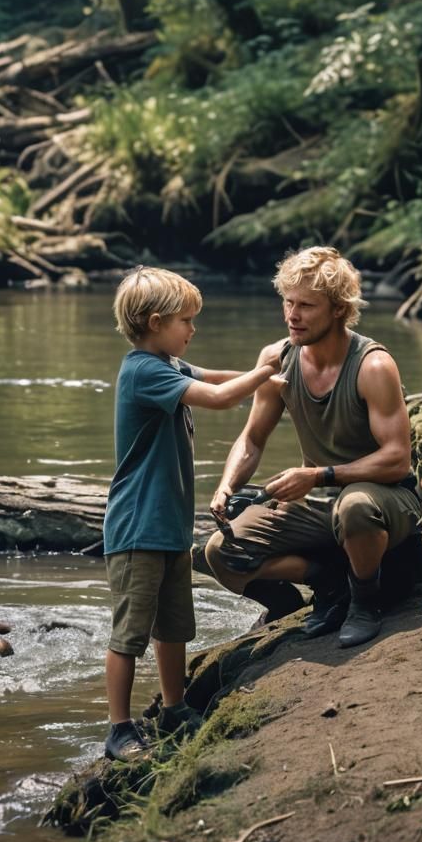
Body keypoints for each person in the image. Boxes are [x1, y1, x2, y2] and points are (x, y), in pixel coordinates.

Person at [204, 246, 422, 649]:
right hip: (319, 503)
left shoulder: (373, 366)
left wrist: (319, 475)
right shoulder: (277, 358)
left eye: (306, 306)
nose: (292, 315)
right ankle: (327, 585)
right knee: (221, 552)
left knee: (355, 507)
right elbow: (252, 439)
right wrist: (226, 487)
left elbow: (397, 459)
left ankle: (364, 602)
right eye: (288, 302)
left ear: (339, 309)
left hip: (385, 498)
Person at [102, 266, 281, 762]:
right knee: (129, 635)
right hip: (137, 528)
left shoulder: (168, 363)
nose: (193, 329)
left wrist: (266, 372)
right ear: (156, 323)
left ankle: (174, 707)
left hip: (167, 527)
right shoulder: (142, 370)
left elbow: (217, 379)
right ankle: (119, 728)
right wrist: (265, 372)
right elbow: (221, 399)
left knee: (174, 626)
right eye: (186, 321)